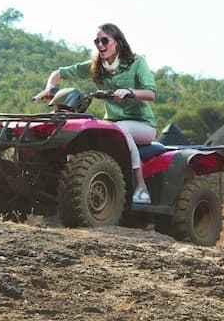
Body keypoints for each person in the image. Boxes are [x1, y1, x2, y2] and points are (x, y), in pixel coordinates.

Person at [32, 23, 157, 204]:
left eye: (104, 40)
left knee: (121, 128)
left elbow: (151, 93)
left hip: (143, 125)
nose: (100, 44)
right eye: (96, 41)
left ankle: (141, 186)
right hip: (112, 123)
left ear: (118, 42)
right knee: (86, 134)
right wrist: (49, 88)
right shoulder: (96, 66)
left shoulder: (137, 63)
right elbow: (59, 73)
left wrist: (130, 91)